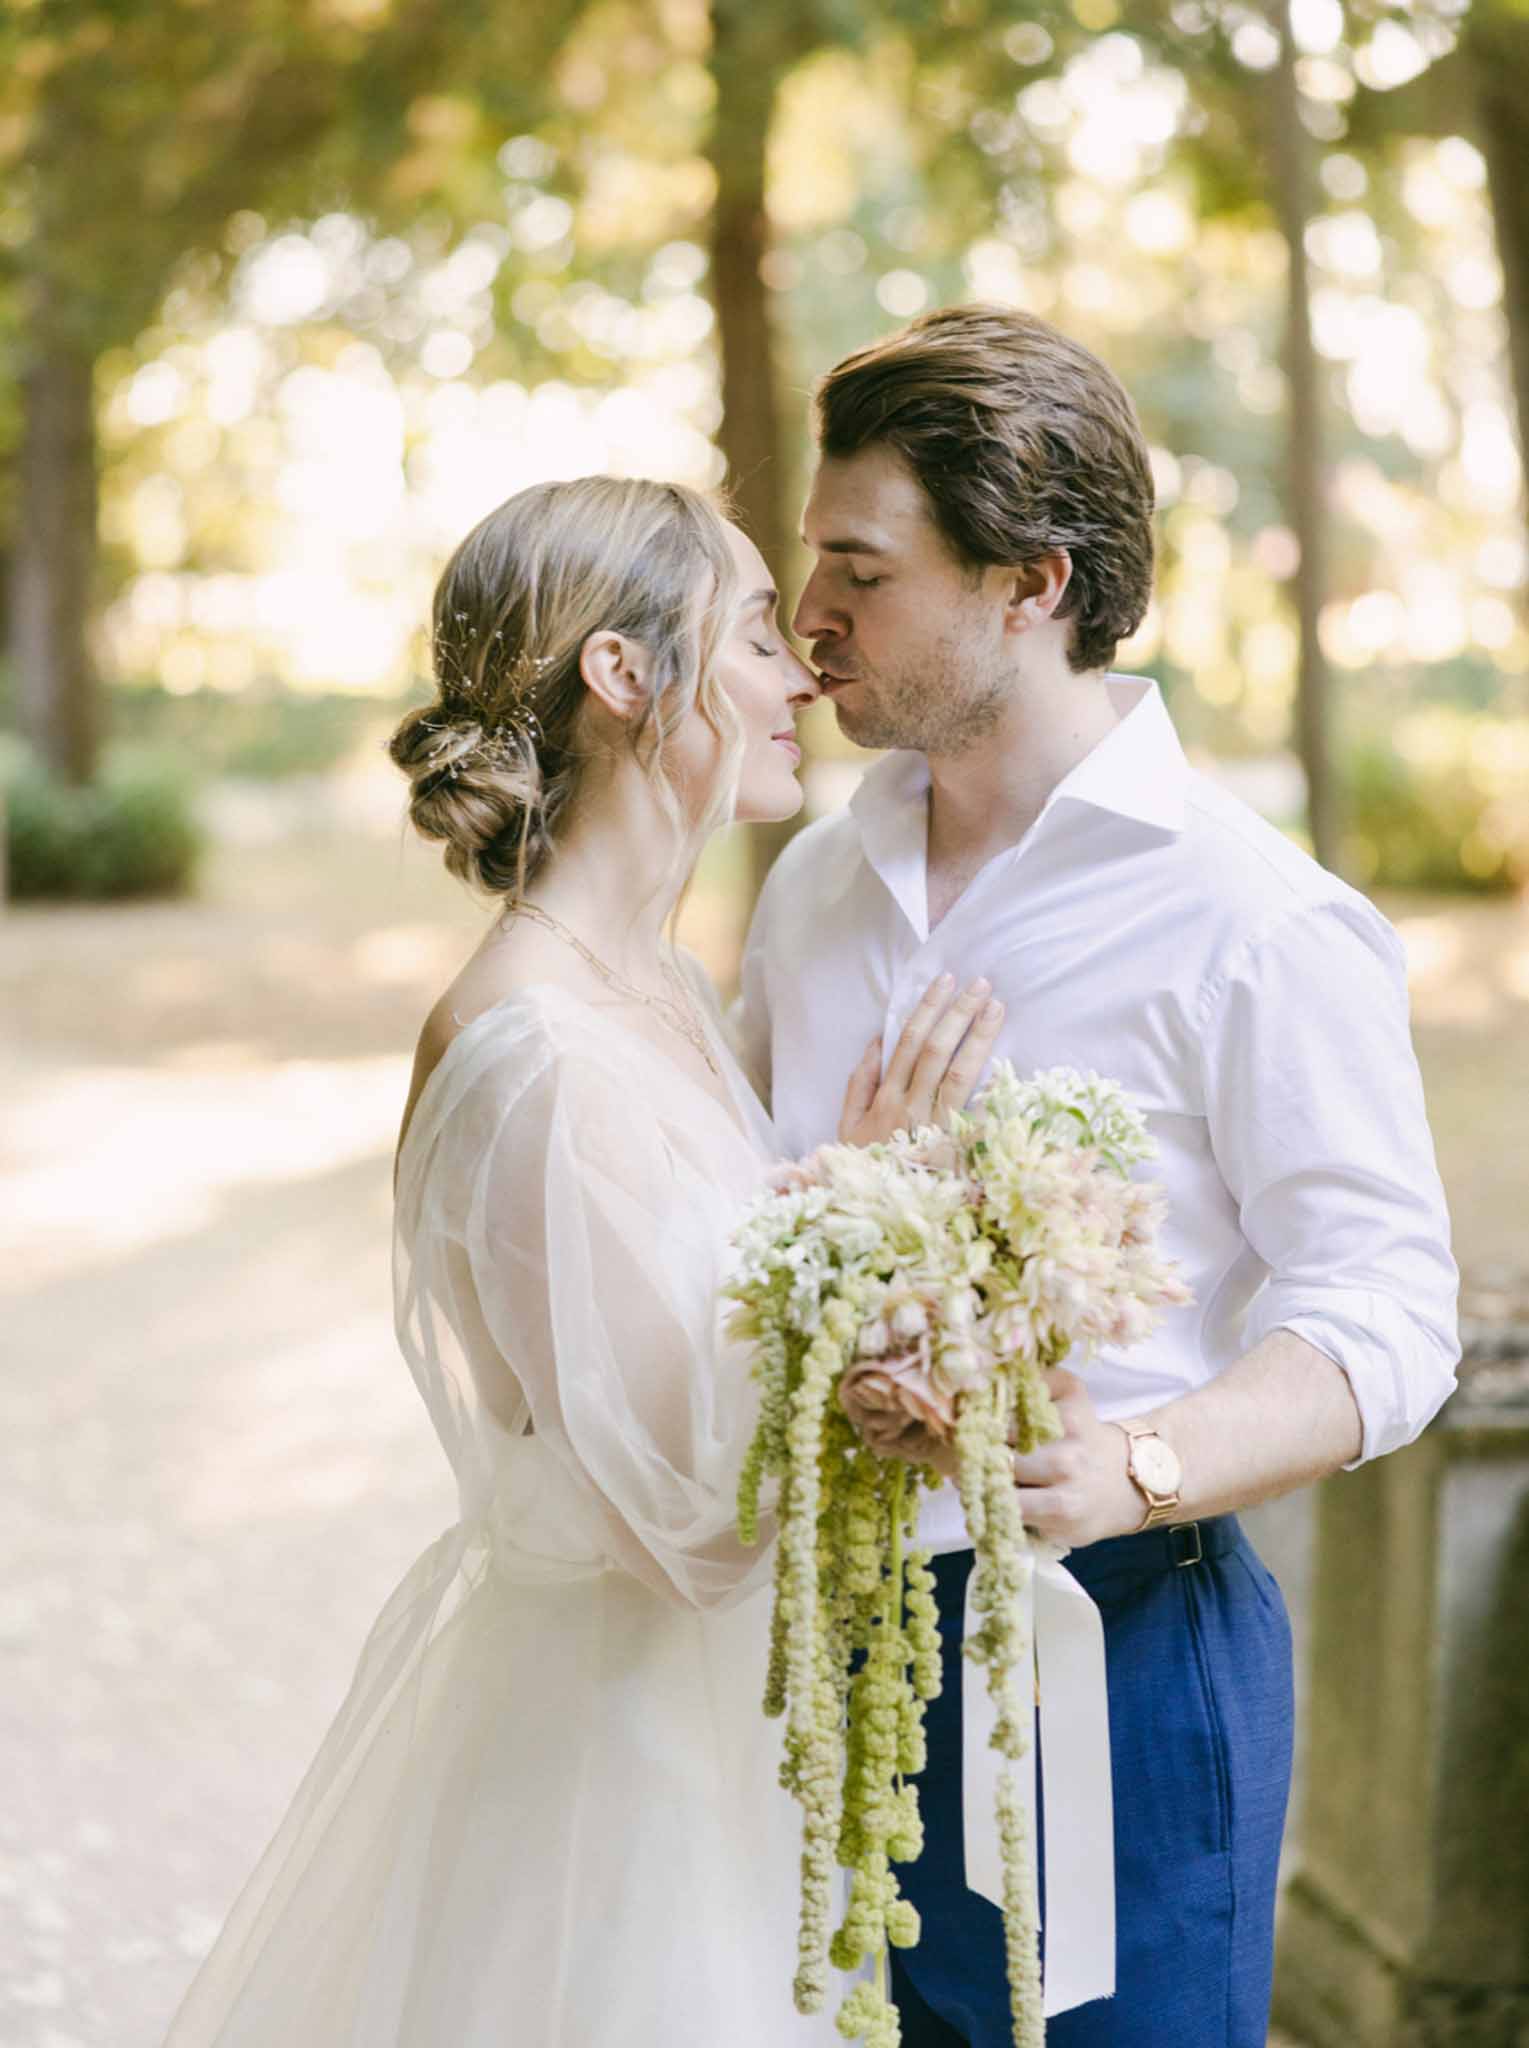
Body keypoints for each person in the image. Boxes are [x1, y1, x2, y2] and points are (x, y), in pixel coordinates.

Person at [158, 474, 1006, 2048]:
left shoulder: (666, 997)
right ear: (624, 678)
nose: (797, 672)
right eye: (754, 632)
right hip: (621, 1776)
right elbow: (680, 1526)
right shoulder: (527, 1049)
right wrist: (879, 1195)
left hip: (731, 1733)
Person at [735, 304, 1461, 2048]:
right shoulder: (809, 895)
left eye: (861, 569)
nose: (807, 617)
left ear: (1029, 584)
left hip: (1120, 1657)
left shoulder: (1254, 919)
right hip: (821, 1659)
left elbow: (1386, 1313)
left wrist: (1128, 1463)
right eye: (806, 561)